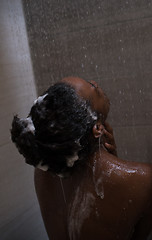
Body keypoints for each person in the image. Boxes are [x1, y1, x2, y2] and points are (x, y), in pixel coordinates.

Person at [11, 77, 152, 240]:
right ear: (98, 129)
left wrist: (112, 158)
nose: (95, 82)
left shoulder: (45, 171)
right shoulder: (144, 180)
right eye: (93, 87)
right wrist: (113, 161)